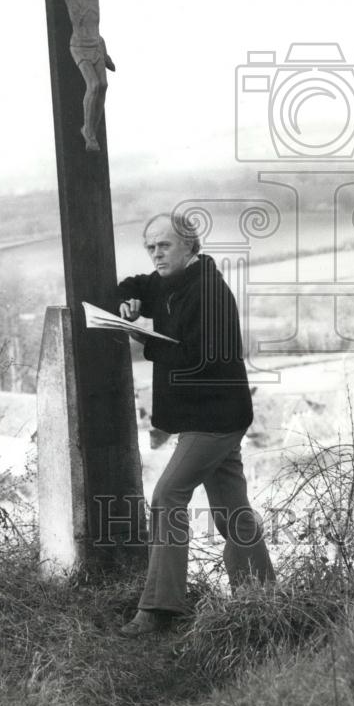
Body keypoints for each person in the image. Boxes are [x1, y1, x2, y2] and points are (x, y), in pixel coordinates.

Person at [116, 212, 275, 637]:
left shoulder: (210, 293)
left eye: (163, 246)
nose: (155, 254)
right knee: (232, 512)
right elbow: (135, 284)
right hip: (210, 417)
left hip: (214, 417)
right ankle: (262, 597)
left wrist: (143, 339)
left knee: (167, 496)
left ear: (189, 245)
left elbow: (198, 361)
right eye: (150, 247)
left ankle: (159, 608)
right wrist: (127, 303)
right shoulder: (169, 282)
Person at [1, 0, 151, 151]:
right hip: (79, 46)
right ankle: (87, 132)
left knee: (104, 86)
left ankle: (92, 130)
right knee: (94, 85)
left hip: (97, 43)